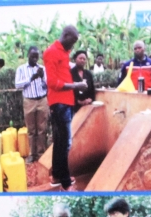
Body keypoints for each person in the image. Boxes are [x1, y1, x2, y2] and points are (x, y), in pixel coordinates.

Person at [43, 25, 87, 189]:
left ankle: (56, 176)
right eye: (73, 41)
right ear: (66, 35)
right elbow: (52, 82)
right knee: (64, 142)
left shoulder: (64, 53)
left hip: (66, 102)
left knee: (60, 142)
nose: (73, 45)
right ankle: (65, 180)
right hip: (59, 103)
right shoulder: (52, 52)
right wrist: (76, 86)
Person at [14, 46, 49, 162]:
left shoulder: (42, 68)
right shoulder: (21, 69)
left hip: (42, 100)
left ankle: (40, 153)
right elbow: (17, 84)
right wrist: (32, 78)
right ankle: (31, 154)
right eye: (32, 56)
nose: (35, 59)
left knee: (42, 129)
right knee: (31, 130)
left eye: (37, 57)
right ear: (28, 55)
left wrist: (42, 76)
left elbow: (48, 83)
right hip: (29, 101)